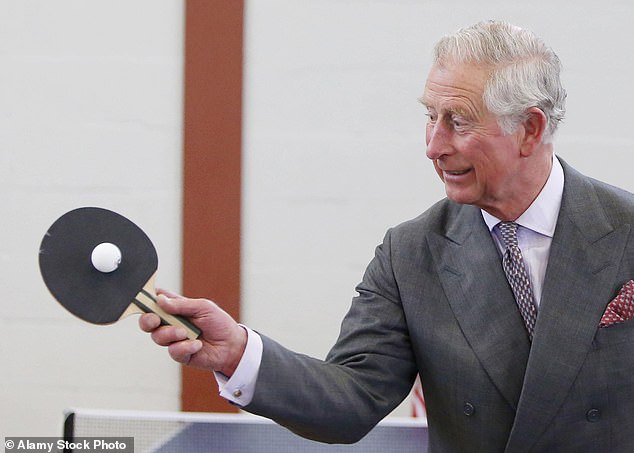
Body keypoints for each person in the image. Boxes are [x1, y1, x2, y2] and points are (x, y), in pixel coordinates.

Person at [140, 20, 634, 452]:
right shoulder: (410, 254)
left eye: (457, 122)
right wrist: (239, 353)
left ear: (529, 129)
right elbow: (352, 398)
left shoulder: (627, 229)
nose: (433, 146)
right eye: (429, 116)